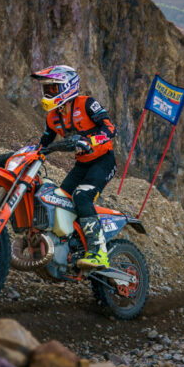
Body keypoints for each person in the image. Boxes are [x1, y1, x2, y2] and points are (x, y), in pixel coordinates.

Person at [31, 65, 116, 269]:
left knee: (81, 195)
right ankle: (69, 245)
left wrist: (91, 141)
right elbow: (43, 144)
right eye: (46, 89)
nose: (47, 93)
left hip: (103, 161)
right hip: (81, 165)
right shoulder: (52, 117)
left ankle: (99, 252)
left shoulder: (86, 104)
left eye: (52, 88)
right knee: (58, 198)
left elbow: (110, 128)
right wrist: (30, 156)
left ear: (67, 87)